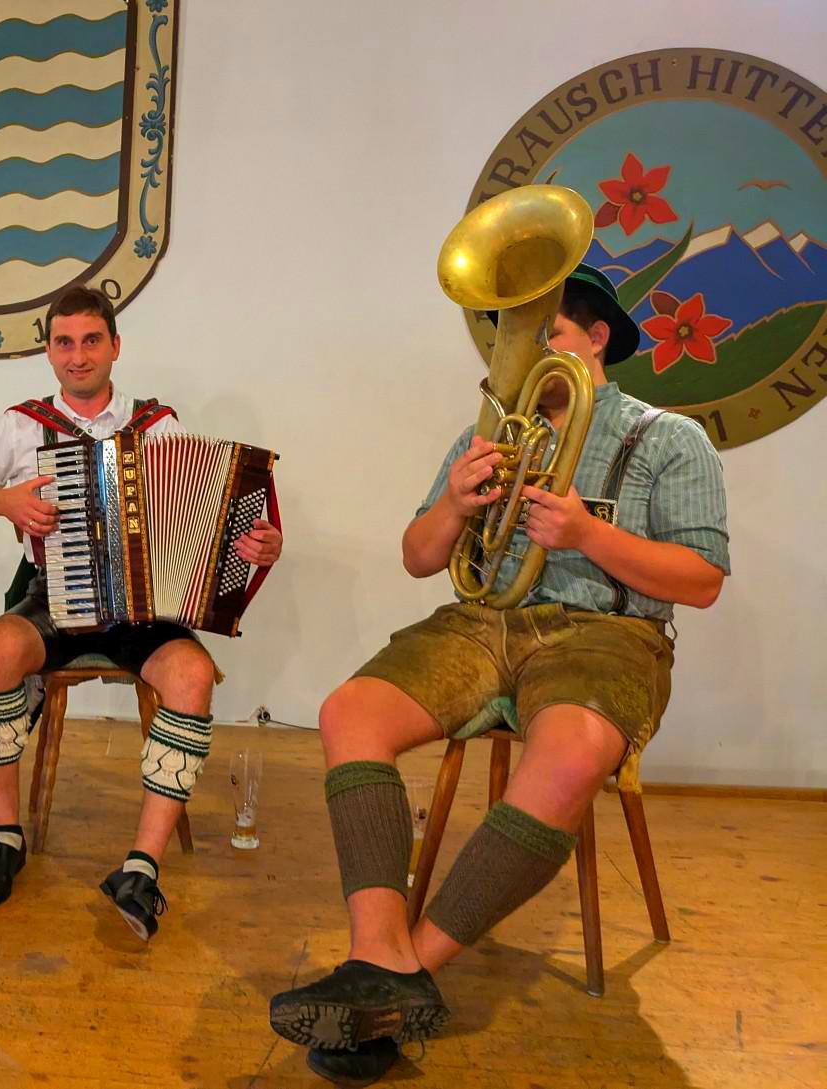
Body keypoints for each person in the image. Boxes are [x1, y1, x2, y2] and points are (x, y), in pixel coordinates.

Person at [268, 265, 730, 1084]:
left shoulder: (668, 437)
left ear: (596, 338)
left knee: (572, 754)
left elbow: (701, 581)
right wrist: (453, 505)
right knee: (349, 712)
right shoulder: (489, 433)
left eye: (548, 333)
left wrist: (588, 535)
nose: (524, 354)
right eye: (514, 338)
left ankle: (409, 969)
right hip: (482, 623)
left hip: (608, 634)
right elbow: (418, 558)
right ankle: (378, 954)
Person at [0, 286, 284, 940]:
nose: (78, 355)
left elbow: (212, 522)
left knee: (193, 676)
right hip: (55, 594)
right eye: (64, 342)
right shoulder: (21, 425)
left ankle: (141, 867)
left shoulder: (158, 425)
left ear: (115, 346)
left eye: (91, 340)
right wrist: (4, 501)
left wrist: (260, 543)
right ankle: (4, 837)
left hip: (146, 608)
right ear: (48, 350)